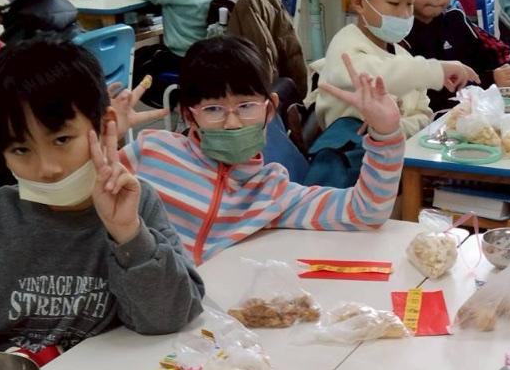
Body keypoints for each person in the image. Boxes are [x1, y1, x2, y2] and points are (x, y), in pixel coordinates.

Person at [0, 37, 204, 370]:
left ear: (104, 125)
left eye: (62, 140)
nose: (47, 168)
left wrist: (128, 234)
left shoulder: (135, 204)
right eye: (21, 150)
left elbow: (171, 316)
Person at [121, 36, 405, 265]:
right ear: (189, 115)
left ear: (269, 110)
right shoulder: (152, 150)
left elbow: (366, 211)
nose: (232, 123)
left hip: (209, 311)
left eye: (246, 106)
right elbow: (95, 192)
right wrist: (102, 140)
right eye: (213, 109)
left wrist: (387, 133)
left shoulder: (272, 192)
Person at [306, 0, 478, 187]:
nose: (405, 14)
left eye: (409, 3)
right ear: (359, 3)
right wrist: (435, 70)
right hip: (351, 173)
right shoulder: (345, 48)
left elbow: (423, 114)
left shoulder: (402, 55)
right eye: (395, 3)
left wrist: (394, 127)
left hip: (393, 164)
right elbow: (380, 76)